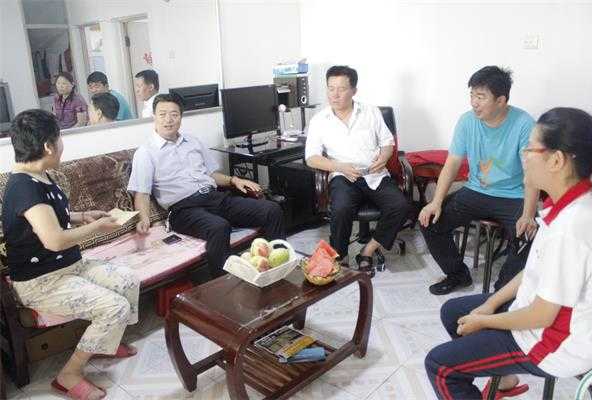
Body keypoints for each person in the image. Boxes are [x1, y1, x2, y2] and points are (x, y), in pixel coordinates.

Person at [424, 107, 592, 400]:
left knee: (440, 366)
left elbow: (542, 315)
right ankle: (504, 379)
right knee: (453, 311)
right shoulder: (569, 204)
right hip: (541, 314)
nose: (524, 156)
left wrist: (485, 320)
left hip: (554, 344)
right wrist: (491, 303)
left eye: (530, 149)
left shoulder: (572, 227)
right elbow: (533, 270)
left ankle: (497, 369)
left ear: (556, 160)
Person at [2, 109, 140, 400]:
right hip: (42, 281)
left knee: (127, 279)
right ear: (48, 146)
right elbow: (54, 241)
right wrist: (97, 227)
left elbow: (50, 216)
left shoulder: (40, 175)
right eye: (60, 138)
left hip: (69, 266)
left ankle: (105, 342)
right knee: (114, 307)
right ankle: (69, 374)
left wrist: (82, 216)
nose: (62, 144)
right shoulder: (23, 188)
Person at [127, 93, 285, 279]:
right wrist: (144, 219)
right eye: (162, 114)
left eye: (174, 114)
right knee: (219, 227)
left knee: (272, 210)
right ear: (154, 117)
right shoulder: (145, 152)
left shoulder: (193, 142)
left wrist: (235, 180)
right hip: (183, 209)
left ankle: (277, 269)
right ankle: (224, 286)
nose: (168, 120)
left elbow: (211, 174)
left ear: (181, 117)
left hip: (214, 198)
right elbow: (142, 193)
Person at [419, 66, 538, 295]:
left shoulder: (524, 123)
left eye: (481, 97)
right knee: (430, 222)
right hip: (475, 191)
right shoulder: (467, 121)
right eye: (472, 95)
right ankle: (457, 275)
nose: (474, 102)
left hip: (513, 196)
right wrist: (436, 202)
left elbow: (531, 173)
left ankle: (502, 293)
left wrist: (528, 214)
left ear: (501, 100)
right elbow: (452, 163)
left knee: (528, 236)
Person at [305, 65, 410, 277]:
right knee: (341, 208)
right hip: (343, 175)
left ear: (354, 90)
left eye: (341, 89)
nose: (335, 94)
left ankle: (368, 250)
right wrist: (339, 166)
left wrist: (384, 157)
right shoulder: (319, 120)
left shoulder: (371, 112)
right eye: (331, 88)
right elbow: (311, 158)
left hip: (374, 174)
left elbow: (387, 142)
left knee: (400, 205)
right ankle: (340, 256)